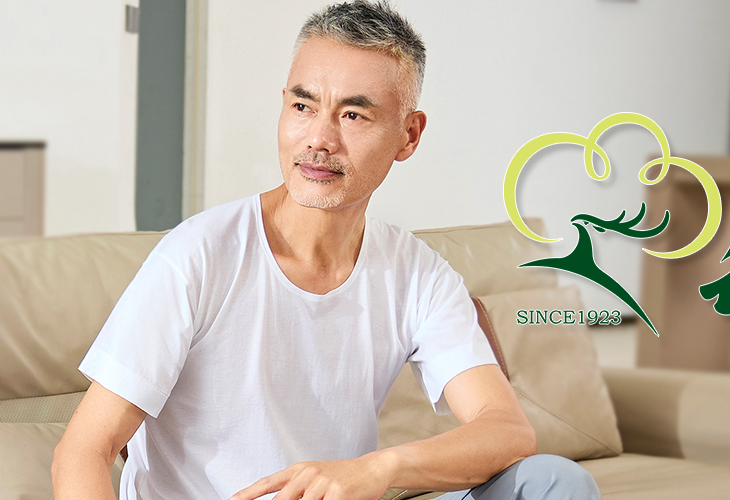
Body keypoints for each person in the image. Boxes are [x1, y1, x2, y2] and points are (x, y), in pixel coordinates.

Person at [50, 2, 600, 499]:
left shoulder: (417, 275)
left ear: (408, 136)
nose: (319, 138)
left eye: (353, 115)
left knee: (555, 483)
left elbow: (506, 430)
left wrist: (379, 468)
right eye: (303, 106)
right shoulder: (196, 257)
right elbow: (82, 453)